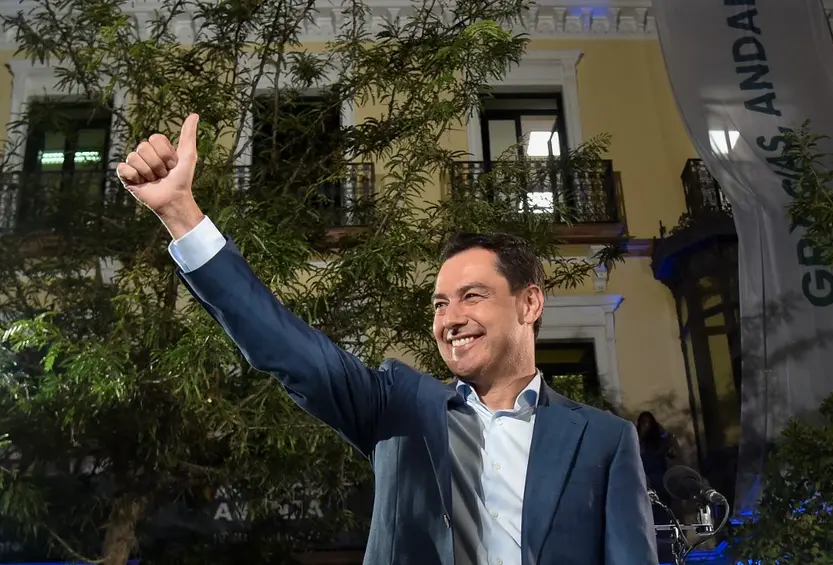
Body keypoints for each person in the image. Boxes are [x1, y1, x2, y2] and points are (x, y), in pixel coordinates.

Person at [117, 114, 657, 565]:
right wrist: (181, 215)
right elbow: (281, 343)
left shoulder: (604, 441)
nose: (450, 319)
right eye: (439, 304)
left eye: (471, 296)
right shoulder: (396, 408)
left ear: (529, 303)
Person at [636, 411, 679, 523]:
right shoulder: (636, 439)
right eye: (643, 422)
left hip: (659, 479)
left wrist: (662, 431)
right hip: (644, 478)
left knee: (662, 508)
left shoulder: (660, 439)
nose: (646, 425)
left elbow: (673, 452)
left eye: (648, 422)